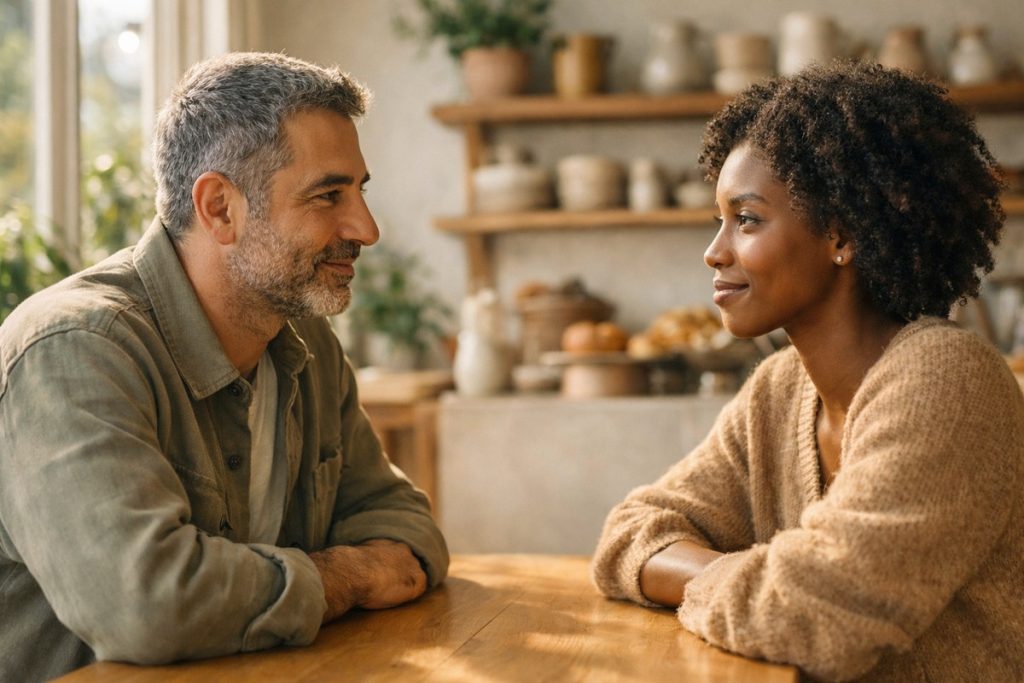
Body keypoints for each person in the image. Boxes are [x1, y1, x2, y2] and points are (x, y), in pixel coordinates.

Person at [0, 52, 449, 680]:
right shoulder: (75, 348)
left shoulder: (308, 345)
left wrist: (330, 575)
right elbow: (147, 605)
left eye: (359, 192)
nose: (366, 228)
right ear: (219, 209)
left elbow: (405, 527)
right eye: (328, 195)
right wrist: (346, 574)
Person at [591, 61, 1024, 682]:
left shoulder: (948, 380)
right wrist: (753, 578)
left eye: (746, 219)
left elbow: (817, 613)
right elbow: (626, 537)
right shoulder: (779, 387)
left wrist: (708, 576)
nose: (715, 252)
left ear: (842, 234)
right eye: (719, 220)